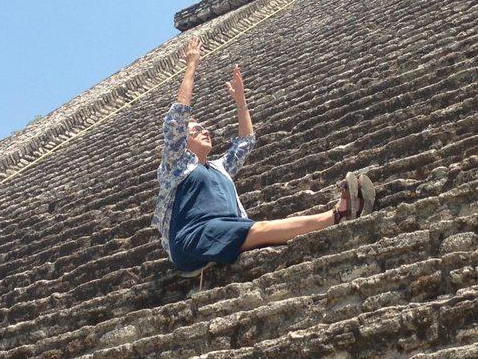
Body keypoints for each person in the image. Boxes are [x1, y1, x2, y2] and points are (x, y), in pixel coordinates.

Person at [151, 36, 376, 276]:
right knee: (261, 228)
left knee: (259, 227)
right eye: (196, 130)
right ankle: (338, 215)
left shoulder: (219, 168)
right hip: (194, 236)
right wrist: (192, 65)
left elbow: (245, 143)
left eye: (205, 128)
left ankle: (337, 214)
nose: (205, 131)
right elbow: (176, 119)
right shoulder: (177, 165)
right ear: (183, 141)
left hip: (227, 228)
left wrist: (240, 101)